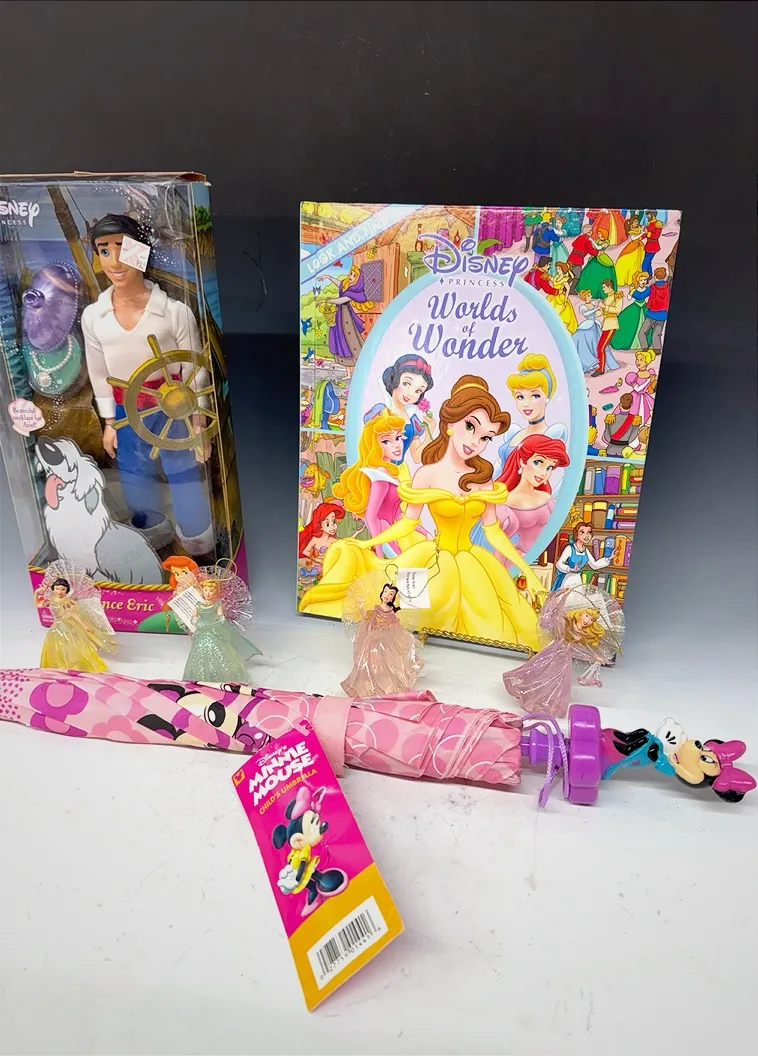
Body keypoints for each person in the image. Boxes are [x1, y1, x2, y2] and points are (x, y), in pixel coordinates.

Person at [299, 376, 544, 649]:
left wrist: (529, 572)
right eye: (470, 427)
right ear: (450, 424)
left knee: (494, 622)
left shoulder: (483, 481)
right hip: (432, 559)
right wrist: (368, 543)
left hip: (474, 563)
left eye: (485, 437)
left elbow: (494, 532)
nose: (476, 442)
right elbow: (407, 524)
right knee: (409, 608)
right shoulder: (427, 474)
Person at [81, 213, 214, 556]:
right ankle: (149, 541)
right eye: (104, 250)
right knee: (133, 473)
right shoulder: (94, 317)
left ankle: (198, 541)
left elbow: (194, 368)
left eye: (123, 248)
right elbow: (98, 372)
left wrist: (198, 419)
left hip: (173, 407)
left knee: (183, 471)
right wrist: (109, 421)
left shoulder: (174, 312)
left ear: (142, 252)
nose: (115, 261)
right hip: (126, 410)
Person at [334, 410, 428, 556]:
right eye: (386, 441)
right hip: (384, 533)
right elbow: (371, 516)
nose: (396, 445)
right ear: (375, 445)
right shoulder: (380, 474)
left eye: (398, 438)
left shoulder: (391, 473)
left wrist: (426, 533)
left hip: (393, 531)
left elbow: (399, 516)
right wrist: (379, 552)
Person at [490, 434, 570, 557]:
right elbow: (500, 545)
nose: (543, 473)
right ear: (522, 461)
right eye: (538, 462)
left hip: (545, 558)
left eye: (549, 467)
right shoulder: (506, 502)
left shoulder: (546, 498)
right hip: (519, 558)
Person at [494, 354, 569, 474]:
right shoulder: (513, 433)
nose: (526, 404)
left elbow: (562, 475)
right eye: (520, 397)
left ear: (547, 396)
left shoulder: (552, 435)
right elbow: (499, 468)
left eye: (535, 396)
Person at [363, 353, 435, 463]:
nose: (410, 394)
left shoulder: (413, 421)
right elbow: (366, 445)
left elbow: (417, 458)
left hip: (399, 471)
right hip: (377, 467)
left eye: (418, 391)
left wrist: (429, 434)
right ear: (395, 379)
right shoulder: (379, 412)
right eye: (406, 383)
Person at [319, 265, 374, 360]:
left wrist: (326, 300)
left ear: (358, 279)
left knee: (347, 336)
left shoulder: (354, 291)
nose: (351, 277)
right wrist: (328, 277)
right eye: (350, 274)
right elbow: (339, 284)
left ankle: (354, 363)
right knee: (339, 335)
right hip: (339, 313)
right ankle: (344, 365)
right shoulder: (347, 285)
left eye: (354, 276)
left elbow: (340, 301)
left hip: (345, 316)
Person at [552, 522, 611, 590]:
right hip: (568, 579)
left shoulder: (585, 550)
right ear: (576, 534)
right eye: (582, 532)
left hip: (578, 580)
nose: (586, 535)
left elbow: (594, 565)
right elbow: (559, 564)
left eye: (588, 532)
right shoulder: (570, 548)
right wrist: (570, 569)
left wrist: (609, 558)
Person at [572, 289, 618, 374]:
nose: (591, 296)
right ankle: (589, 362)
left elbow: (598, 314)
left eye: (590, 295)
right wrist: (596, 308)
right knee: (586, 344)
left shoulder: (593, 303)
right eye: (588, 295)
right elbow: (586, 314)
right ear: (584, 297)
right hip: (588, 325)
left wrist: (601, 308)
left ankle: (599, 363)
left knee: (597, 344)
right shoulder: (582, 307)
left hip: (594, 325)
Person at [298, 501, 345, 578]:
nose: (333, 526)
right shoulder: (315, 539)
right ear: (320, 526)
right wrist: (317, 559)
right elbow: (305, 551)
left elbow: (344, 546)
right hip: (317, 565)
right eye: (327, 524)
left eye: (333, 521)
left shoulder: (332, 540)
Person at [611, 271, 650, 351]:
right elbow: (629, 298)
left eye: (645, 279)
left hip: (644, 306)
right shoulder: (635, 289)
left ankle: (644, 344)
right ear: (637, 281)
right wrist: (631, 291)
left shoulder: (647, 289)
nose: (643, 281)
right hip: (635, 307)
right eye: (641, 280)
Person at [594, 279, 624, 376]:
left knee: (601, 348)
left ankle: (601, 369)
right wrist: (592, 312)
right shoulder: (606, 298)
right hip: (605, 324)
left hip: (611, 324)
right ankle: (601, 367)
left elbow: (617, 310)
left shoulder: (617, 296)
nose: (603, 289)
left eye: (604, 287)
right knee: (600, 347)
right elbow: (601, 312)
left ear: (609, 287)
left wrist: (604, 307)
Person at [637, 267, 670, 353]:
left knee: (642, 332)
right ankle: (657, 349)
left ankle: (645, 348)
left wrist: (633, 291)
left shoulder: (652, 287)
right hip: (663, 315)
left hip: (651, 314)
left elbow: (640, 296)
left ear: (655, 277)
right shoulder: (668, 287)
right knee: (657, 334)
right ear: (665, 276)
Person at [622, 349, 657, 424]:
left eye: (641, 360)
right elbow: (638, 389)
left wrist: (652, 384)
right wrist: (648, 380)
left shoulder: (650, 372)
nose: (638, 362)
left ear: (647, 362)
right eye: (637, 359)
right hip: (635, 397)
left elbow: (651, 387)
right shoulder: (633, 376)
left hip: (646, 397)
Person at [602, 392, 642, 457]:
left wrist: (612, 442)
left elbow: (606, 435)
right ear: (631, 404)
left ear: (620, 404)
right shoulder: (635, 419)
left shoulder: (610, 418)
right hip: (624, 451)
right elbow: (633, 436)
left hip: (610, 449)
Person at [545, 260, 578, 333]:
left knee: (558, 314)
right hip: (552, 296)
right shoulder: (557, 276)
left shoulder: (564, 279)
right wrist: (548, 277)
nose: (557, 270)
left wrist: (565, 299)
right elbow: (553, 281)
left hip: (560, 298)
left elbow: (568, 288)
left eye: (559, 269)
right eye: (557, 268)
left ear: (562, 270)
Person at [567, 224, 601, 294]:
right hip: (578, 260)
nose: (592, 232)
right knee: (577, 275)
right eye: (591, 231)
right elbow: (592, 252)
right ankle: (571, 289)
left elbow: (573, 244)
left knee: (570, 274)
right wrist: (598, 252)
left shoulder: (580, 237)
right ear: (589, 232)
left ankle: (565, 288)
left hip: (571, 257)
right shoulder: (587, 240)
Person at [614, 216, 645, 287]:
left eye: (637, 221)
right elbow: (634, 238)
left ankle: (635, 279)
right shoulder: (631, 231)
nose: (637, 223)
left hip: (638, 247)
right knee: (630, 262)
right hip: (632, 247)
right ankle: (628, 279)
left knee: (637, 263)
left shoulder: (639, 228)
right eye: (635, 222)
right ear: (631, 224)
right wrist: (642, 234)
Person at [640, 210, 664, 275]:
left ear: (652, 214)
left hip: (653, 246)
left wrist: (648, 233)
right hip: (648, 246)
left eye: (648, 214)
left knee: (644, 264)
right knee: (648, 262)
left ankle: (644, 276)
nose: (647, 216)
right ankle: (649, 274)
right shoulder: (649, 223)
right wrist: (641, 237)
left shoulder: (658, 224)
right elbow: (646, 233)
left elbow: (656, 236)